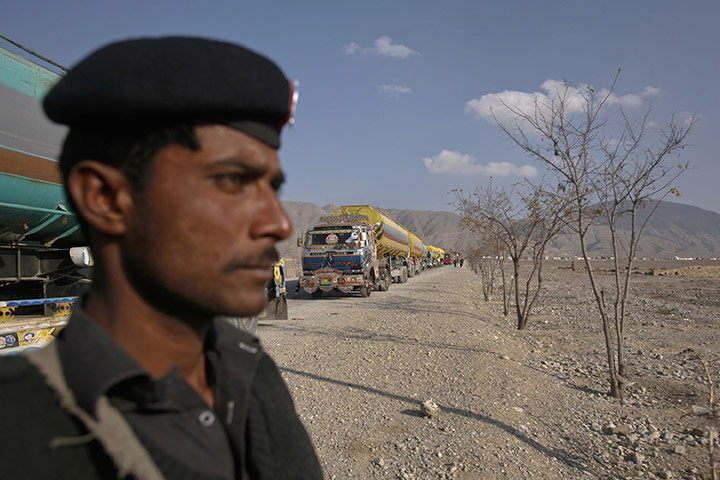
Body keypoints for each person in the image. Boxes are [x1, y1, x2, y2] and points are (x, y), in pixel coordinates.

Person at [0, 36, 322, 479]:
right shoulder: (19, 433)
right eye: (232, 181)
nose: (279, 224)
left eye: (273, 187)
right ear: (107, 198)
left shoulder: (247, 368)